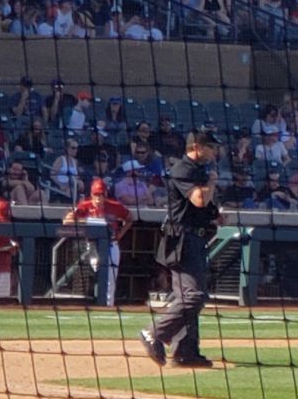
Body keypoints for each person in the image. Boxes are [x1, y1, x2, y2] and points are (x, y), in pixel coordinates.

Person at [143, 129, 221, 369]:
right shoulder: (183, 168)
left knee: (186, 296)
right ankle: (153, 333)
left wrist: (215, 217)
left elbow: (201, 208)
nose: (213, 151)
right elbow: (199, 199)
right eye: (209, 146)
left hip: (193, 239)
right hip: (183, 241)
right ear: (196, 147)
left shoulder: (197, 170)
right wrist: (212, 182)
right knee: (194, 296)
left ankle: (185, 352)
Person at [65, 176, 133, 305]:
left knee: (111, 278)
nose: (98, 198)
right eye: (96, 195)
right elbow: (67, 220)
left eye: (101, 195)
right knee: (98, 270)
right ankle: (96, 301)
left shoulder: (115, 206)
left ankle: (108, 305)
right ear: (91, 194)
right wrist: (88, 221)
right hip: (92, 245)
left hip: (111, 243)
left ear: (105, 194)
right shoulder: (85, 205)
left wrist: (121, 233)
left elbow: (130, 218)